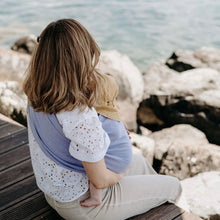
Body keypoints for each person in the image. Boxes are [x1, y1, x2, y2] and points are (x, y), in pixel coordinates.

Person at [24, 18, 187, 220]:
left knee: (140, 163)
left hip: (55, 190)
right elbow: (100, 181)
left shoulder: (37, 95)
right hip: (81, 205)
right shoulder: (79, 112)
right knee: (174, 187)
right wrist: (118, 175)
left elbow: (70, 137)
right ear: (81, 59)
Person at [80, 73, 132, 207]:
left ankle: (96, 198)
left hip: (116, 161)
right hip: (123, 155)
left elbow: (93, 148)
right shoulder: (112, 113)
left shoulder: (100, 121)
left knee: (94, 169)